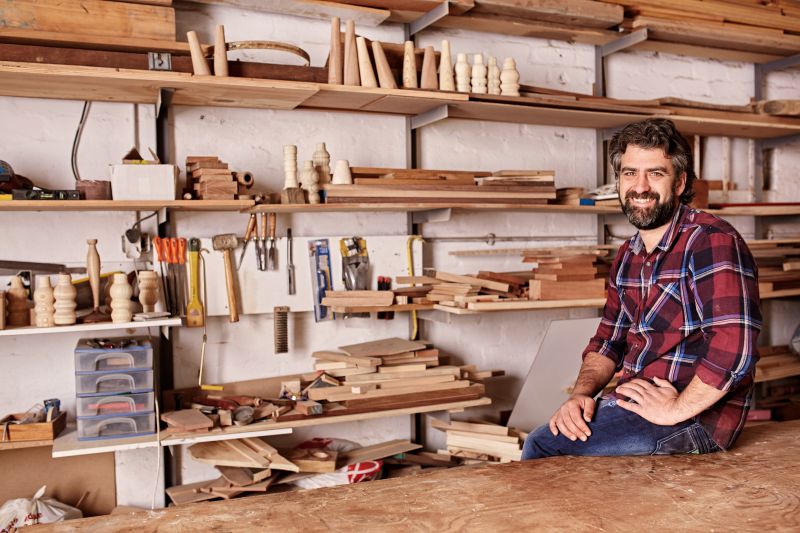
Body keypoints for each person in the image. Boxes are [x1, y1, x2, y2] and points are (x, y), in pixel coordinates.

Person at [522, 118, 762, 459]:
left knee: (543, 445)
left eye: (656, 173)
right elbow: (608, 340)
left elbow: (735, 348)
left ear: (679, 183)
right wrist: (581, 395)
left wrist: (676, 409)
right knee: (557, 432)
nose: (641, 186)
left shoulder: (711, 241)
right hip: (635, 403)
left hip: (696, 419)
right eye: (630, 173)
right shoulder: (628, 255)